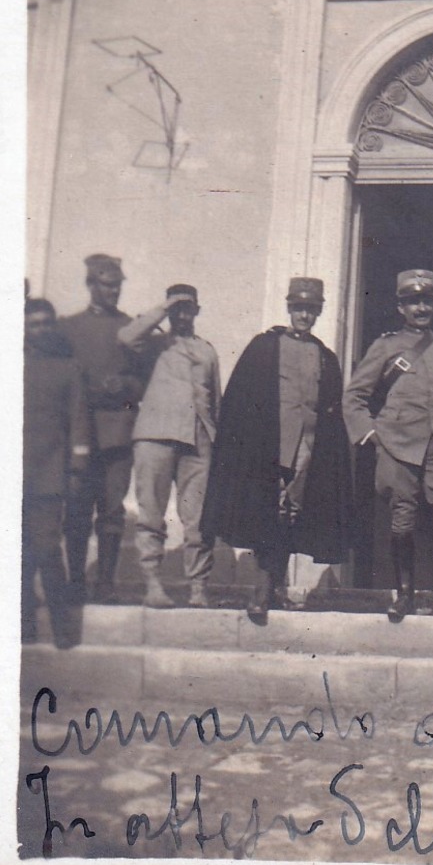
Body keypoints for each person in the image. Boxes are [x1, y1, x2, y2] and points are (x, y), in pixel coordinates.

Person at [202, 277, 353, 622]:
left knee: (291, 515)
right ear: (290, 308)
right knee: (265, 512)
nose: (304, 315)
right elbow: (241, 396)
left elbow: (331, 406)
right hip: (268, 445)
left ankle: (274, 589)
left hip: (308, 448)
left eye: (311, 309)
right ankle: (261, 589)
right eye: (299, 308)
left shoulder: (325, 356)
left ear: (318, 312)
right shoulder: (265, 346)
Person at [343, 269, 433, 622]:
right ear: (401, 307)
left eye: (426, 301)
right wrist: (370, 435)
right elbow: (355, 396)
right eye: (413, 302)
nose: (420, 308)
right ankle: (404, 594)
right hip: (398, 446)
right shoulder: (385, 347)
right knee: (402, 518)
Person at [118, 283, 221, 609]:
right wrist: (163, 307)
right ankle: (152, 585)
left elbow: (214, 400)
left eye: (188, 307)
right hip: (156, 436)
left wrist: (214, 441)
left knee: (199, 518)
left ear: (197, 311)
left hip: (197, 440)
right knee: (151, 513)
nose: (182, 314)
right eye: (177, 308)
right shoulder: (154, 343)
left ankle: (198, 588)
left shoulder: (207, 351)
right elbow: (126, 337)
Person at [58, 253, 145, 603]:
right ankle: (76, 581)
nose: (114, 292)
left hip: (117, 435)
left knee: (111, 510)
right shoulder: (68, 328)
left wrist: (122, 386)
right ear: (91, 284)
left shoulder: (130, 328)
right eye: (107, 285)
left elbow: (145, 380)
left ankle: (106, 583)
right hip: (79, 436)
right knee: (77, 508)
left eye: (118, 286)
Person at [23, 298, 89, 647]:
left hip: (49, 476)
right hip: (14, 476)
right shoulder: (10, 366)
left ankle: (64, 632)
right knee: (20, 554)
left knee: (48, 550)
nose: (42, 329)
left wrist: (77, 466)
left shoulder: (68, 368)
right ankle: (24, 628)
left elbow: (79, 421)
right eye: (34, 324)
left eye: (47, 323)